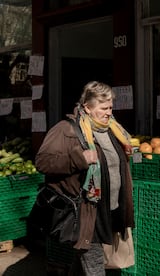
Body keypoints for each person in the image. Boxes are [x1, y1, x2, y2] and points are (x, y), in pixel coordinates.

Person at [35, 81, 135, 275]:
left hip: (111, 209)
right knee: (95, 265)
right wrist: (79, 159)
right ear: (87, 108)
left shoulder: (113, 130)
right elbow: (43, 162)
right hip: (87, 211)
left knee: (87, 264)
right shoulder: (67, 129)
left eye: (110, 107)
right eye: (103, 108)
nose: (108, 113)